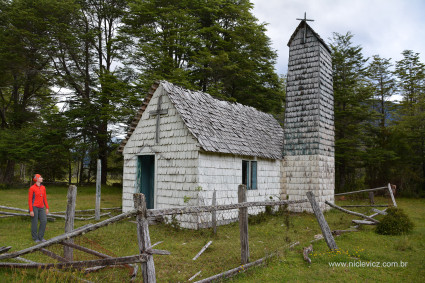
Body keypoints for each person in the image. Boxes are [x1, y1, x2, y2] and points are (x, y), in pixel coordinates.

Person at [28, 174, 49, 243]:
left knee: (44, 221)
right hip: (34, 207)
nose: (42, 178)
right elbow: (30, 200)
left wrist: (47, 208)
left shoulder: (43, 187)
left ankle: (41, 237)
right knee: (35, 222)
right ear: (36, 179)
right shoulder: (32, 188)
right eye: (40, 177)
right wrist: (31, 210)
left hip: (41, 207)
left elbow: (44, 198)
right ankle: (35, 238)